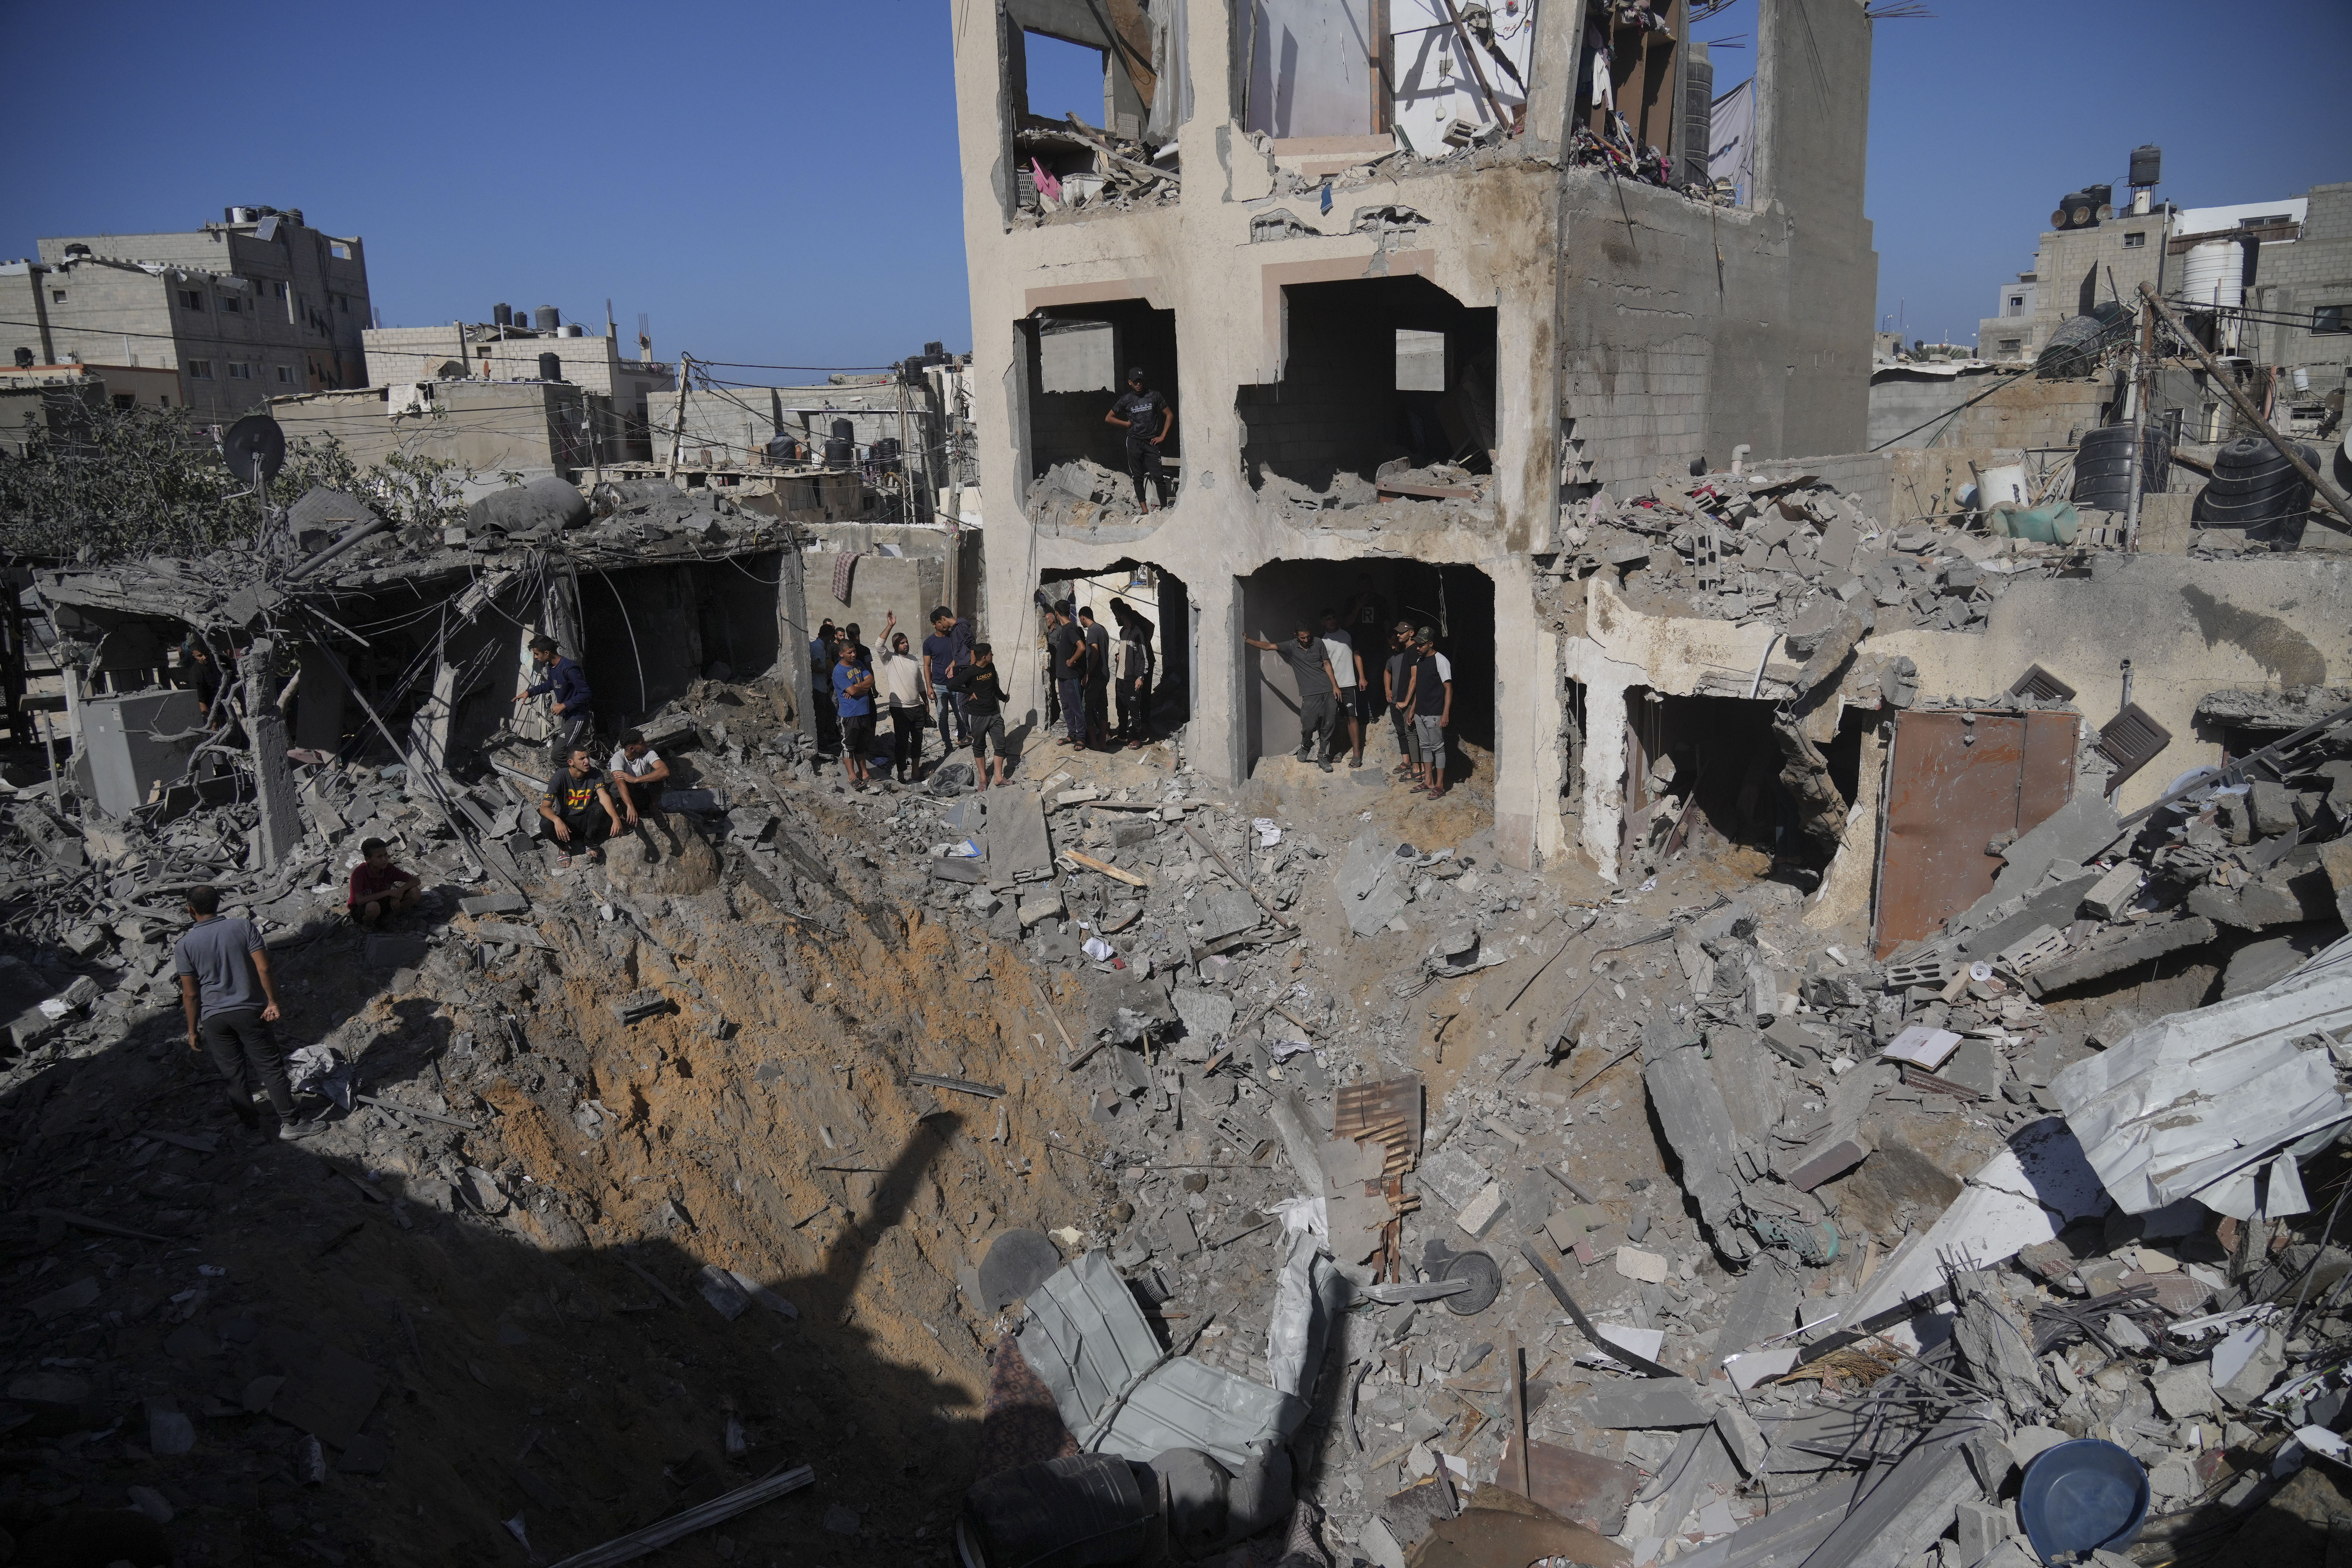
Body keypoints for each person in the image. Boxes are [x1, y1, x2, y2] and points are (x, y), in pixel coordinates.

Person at [176, 885, 313, 1139]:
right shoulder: (243, 927)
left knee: (234, 1076)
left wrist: (192, 1030)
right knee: (270, 1067)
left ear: (190, 909)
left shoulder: (184, 945)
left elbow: (191, 994)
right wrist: (273, 1002)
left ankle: (251, 1131)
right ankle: (291, 1123)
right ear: (219, 903)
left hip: (214, 1018)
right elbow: (264, 968)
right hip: (250, 1012)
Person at [1244, 623, 1340, 772]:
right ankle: (1306, 746)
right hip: (1309, 693)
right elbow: (1269, 646)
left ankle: (1323, 757)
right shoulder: (1290, 646)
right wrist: (1249, 641)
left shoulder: (1318, 643)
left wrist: (1335, 686)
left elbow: (1327, 664)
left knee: (1329, 724)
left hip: (1327, 690)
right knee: (1308, 726)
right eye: (1303, 638)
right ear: (1296, 636)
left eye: (1308, 637)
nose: (1307, 640)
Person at [1105, 366, 1174, 513]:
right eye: (1135, 381)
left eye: (1141, 381)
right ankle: (1145, 510)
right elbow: (1109, 418)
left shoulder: (1154, 396)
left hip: (1151, 442)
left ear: (1144, 381)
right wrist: (1126, 425)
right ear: (1130, 382)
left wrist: (1162, 436)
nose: (1139, 384)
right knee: (1138, 477)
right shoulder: (1126, 400)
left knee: (1158, 477)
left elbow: (1169, 415)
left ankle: (1164, 508)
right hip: (1134, 442)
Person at [540, 744, 623, 865]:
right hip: (566, 824)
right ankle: (564, 848)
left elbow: (604, 797)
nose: (587, 761)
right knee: (545, 823)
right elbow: (544, 807)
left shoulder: (596, 774)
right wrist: (557, 821)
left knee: (600, 808)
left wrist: (616, 819)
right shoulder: (560, 777)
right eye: (582, 759)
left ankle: (589, 841)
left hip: (586, 821)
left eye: (588, 757)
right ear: (571, 762)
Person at [514, 636, 595, 757]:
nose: (536, 657)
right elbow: (551, 684)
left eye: (537, 654)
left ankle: (580, 770)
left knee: (559, 755)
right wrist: (529, 693)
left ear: (547, 653)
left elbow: (586, 693)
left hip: (578, 718)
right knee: (567, 753)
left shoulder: (569, 668)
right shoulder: (551, 667)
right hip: (567, 718)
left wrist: (564, 705)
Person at [948, 642, 1013, 789]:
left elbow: (995, 687)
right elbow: (951, 685)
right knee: (979, 747)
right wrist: (970, 692)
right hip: (977, 715)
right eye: (991, 654)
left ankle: (998, 778)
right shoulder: (970, 672)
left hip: (994, 714)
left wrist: (1004, 698)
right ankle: (984, 779)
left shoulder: (991, 667)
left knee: (1001, 745)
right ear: (984, 657)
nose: (993, 655)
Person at [877, 616, 930, 783]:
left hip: (917, 708)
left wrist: (926, 702)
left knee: (918, 740)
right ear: (895, 647)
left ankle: (916, 772)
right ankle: (901, 775)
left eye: (907, 642)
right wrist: (890, 626)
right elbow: (879, 645)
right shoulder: (890, 659)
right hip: (900, 709)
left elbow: (920, 683)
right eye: (902, 643)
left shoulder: (914, 660)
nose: (906, 645)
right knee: (902, 742)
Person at [1404, 626, 1453, 799]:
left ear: (1431, 644)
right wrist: (1413, 711)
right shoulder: (1420, 661)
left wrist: (1445, 714)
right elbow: (1420, 689)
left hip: (1435, 713)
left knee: (1438, 748)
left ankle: (1440, 786)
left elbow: (1449, 689)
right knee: (1425, 747)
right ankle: (1429, 782)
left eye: (1422, 644)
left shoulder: (1441, 661)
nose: (1418, 647)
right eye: (1417, 644)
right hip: (1421, 713)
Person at [1319, 607, 1368, 769]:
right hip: (1331, 687)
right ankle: (1338, 751)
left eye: (1334, 618)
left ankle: (1357, 754)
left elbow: (1357, 655)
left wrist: (1361, 677)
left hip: (1348, 683)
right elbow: (1323, 665)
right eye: (1328, 619)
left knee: (1351, 717)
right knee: (1333, 720)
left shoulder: (1348, 635)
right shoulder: (1322, 641)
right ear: (1323, 622)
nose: (1332, 621)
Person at [922, 605, 973, 750]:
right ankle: (948, 745)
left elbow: (964, 653)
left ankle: (963, 740)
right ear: (934, 625)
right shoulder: (929, 643)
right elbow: (927, 665)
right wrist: (929, 687)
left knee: (961, 715)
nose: (944, 626)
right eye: (940, 623)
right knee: (942, 717)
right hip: (939, 686)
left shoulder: (955, 636)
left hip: (957, 684)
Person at [830, 638, 878, 788]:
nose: (853, 655)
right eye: (849, 653)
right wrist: (862, 689)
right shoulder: (839, 671)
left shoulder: (859, 664)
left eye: (854, 652)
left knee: (861, 746)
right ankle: (852, 777)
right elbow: (852, 691)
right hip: (850, 714)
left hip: (864, 712)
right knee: (849, 746)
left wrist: (857, 687)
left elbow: (871, 680)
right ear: (841, 654)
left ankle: (864, 774)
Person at [346, 837, 421, 927]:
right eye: (379, 857)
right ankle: (368, 926)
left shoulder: (389, 868)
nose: (385, 859)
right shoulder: (359, 873)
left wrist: (398, 893)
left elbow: (416, 881)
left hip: (384, 902)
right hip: (363, 909)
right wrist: (389, 893)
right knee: (373, 907)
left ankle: (387, 919)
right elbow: (360, 901)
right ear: (368, 859)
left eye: (386, 855)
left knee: (415, 892)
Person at [1112, 599, 1155, 748]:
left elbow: (1144, 656)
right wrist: (1120, 655)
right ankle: (1123, 735)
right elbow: (1124, 649)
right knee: (1121, 706)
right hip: (1122, 676)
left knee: (1137, 705)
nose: (1115, 617)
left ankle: (1139, 735)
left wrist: (1140, 675)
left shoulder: (1137, 631)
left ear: (1122, 615)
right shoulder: (1123, 631)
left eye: (1115, 613)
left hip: (1135, 674)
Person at [608, 729, 672, 825]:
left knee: (658, 775)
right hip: (632, 795)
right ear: (632, 749)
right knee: (615, 787)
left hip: (647, 792)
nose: (646, 744)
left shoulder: (649, 753)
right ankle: (628, 812)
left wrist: (636, 780)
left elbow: (665, 771)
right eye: (642, 743)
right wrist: (630, 806)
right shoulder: (618, 758)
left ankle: (653, 807)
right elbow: (620, 784)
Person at [1384, 619, 1420, 780]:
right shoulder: (1394, 656)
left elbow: (1415, 678)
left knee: (1412, 733)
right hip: (1396, 701)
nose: (1393, 647)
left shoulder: (1412, 652)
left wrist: (1408, 701)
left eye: (1395, 643)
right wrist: (1388, 689)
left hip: (1408, 701)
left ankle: (1418, 768)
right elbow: (1387, 671)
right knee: (1402, 732)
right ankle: (1408, 763)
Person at [1048, 601, 1088, 748]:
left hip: (1071, 675)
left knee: (1077, 707)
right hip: (1063, 675)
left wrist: (1071, 661)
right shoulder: (1066, 629)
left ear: (1057, 613)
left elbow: (1082, 647)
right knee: (1066, 706)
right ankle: (1072, 734)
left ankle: (1082, 737)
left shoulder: (1070, 628)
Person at [1078, 605, 1113, 749]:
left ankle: (1094, 742)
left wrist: (1088, 674)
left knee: (1087, 708)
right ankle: (1103, 742)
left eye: (1080, 619)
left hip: (1095, 677)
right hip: (1104, 676)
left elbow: (1095, 653)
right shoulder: (1102, 629)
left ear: (1083, 617)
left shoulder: (1092, 631)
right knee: (1103, 708)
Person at [809, 618, 841, 754]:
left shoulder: (817, 646)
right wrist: (828, 671)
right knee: (823, 717)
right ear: (830, 636)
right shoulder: (818, 648)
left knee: (830, 713)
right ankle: (822, 745)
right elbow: (814, 667)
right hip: (819, 688)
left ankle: (831, 740)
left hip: (821, 687)